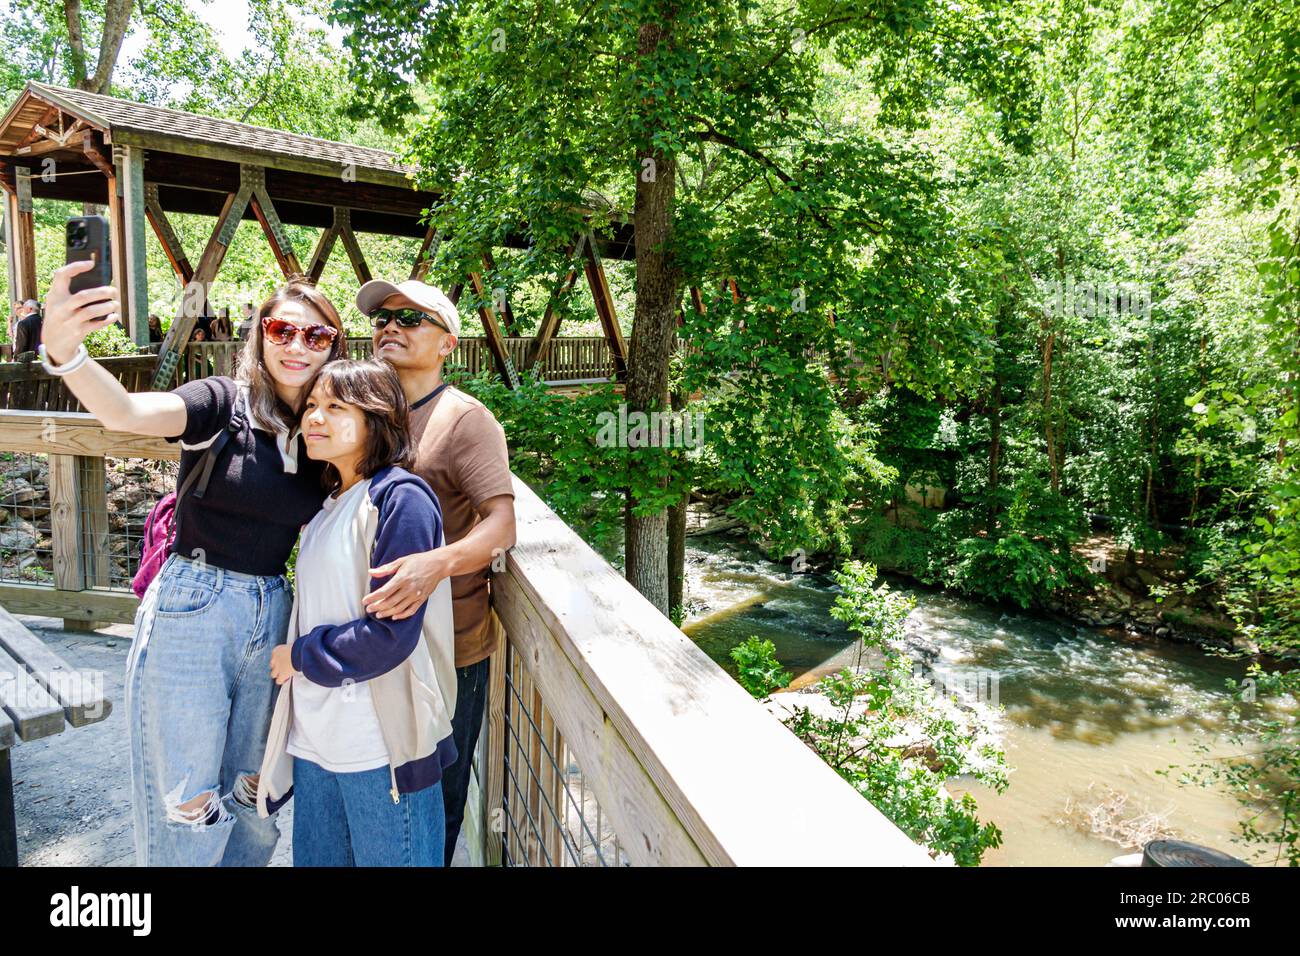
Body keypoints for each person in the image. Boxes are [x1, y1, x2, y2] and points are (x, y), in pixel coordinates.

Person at [38, 259, 347, 866]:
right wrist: (66, 354)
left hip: (274, 610)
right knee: (188, 802)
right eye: (283, 330)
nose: (297, 346)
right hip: (194, 608)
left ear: (333, 346)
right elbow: (126, 414)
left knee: (254, 803)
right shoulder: (219, 404)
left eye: (316, 335)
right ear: (261, 333)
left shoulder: (322, 431)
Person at [256, 359, 458, 866]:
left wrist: (299, 656)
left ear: (377, 416)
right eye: (311, 407)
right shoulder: (330, 504)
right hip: (318, 743)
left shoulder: (400, 499)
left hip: (379, 747)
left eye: (335, 408)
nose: (314, 419)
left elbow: (389, 637)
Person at [355, 278, 516, 864]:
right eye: (383, 318)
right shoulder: (366, 413)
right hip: (371, 638)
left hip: (449, 648)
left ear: (448, 342)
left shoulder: (465, 420)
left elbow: (501, 526)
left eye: (411, 318)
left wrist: (434, 566)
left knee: (434, 801)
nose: (390, 326)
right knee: (373, 788)